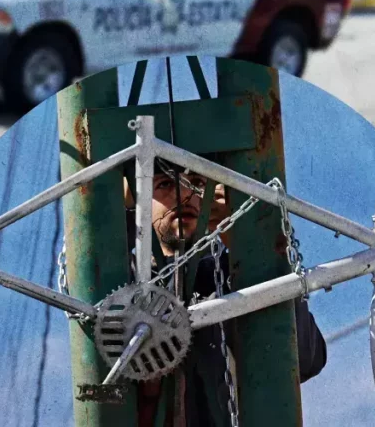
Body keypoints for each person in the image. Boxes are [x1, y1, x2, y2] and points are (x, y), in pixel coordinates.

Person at [123, 161, 327, 427]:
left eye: (197, 184)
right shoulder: (123, 281)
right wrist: (117, 205)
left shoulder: (234, 279)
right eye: (164, 185)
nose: (186, 196)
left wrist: (247, 244)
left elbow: (303, 359)